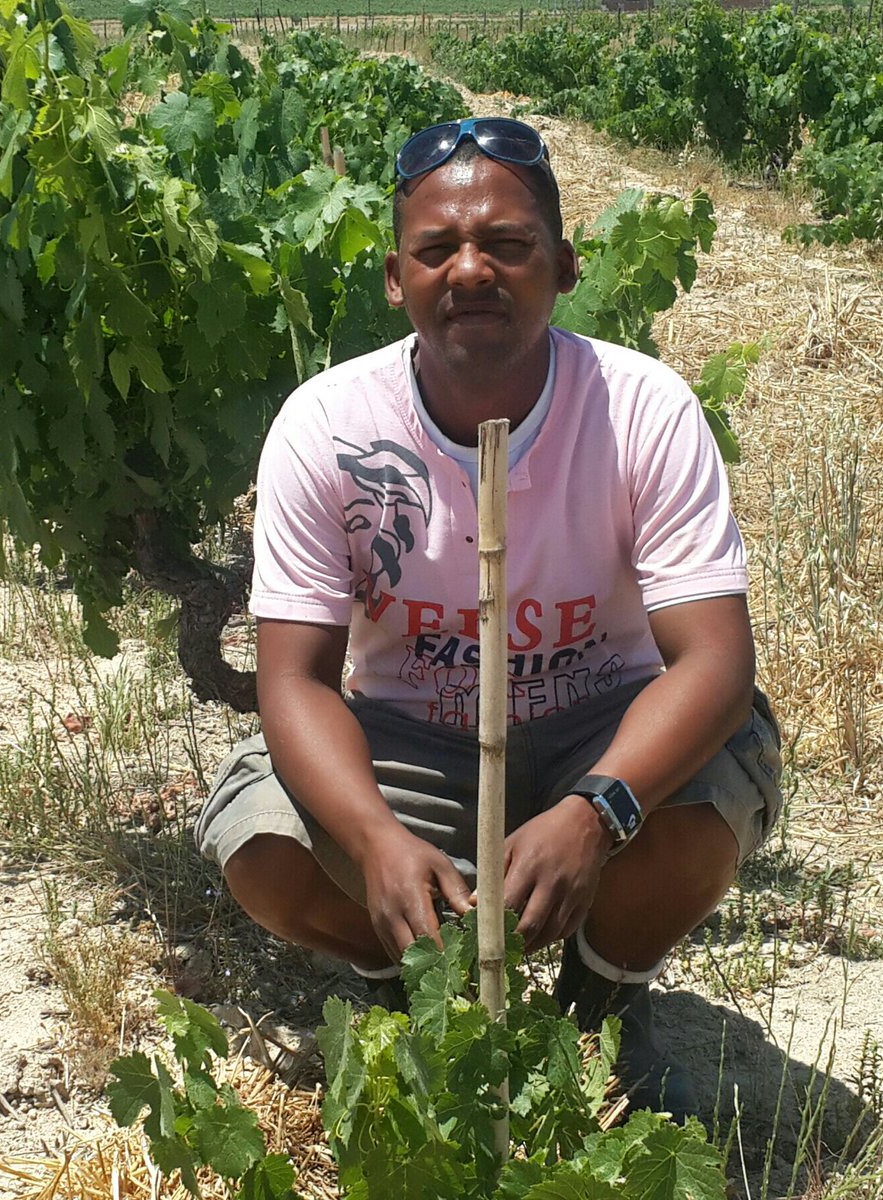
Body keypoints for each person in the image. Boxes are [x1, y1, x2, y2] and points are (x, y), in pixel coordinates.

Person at [195, 117, 783, 1121]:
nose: (470, 270)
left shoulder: (642, 409)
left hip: (604, 724)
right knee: (267, 845)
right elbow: (292, 678)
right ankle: (409, 999)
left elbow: (716, 664)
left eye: (507, 244)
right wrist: (373, 840)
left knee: (707, 796)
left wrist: (598, 812)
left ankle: (601, 1009)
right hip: (411, 741)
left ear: (563, 265)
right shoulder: (328, 425)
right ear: (396, 279)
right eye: (437, 250)